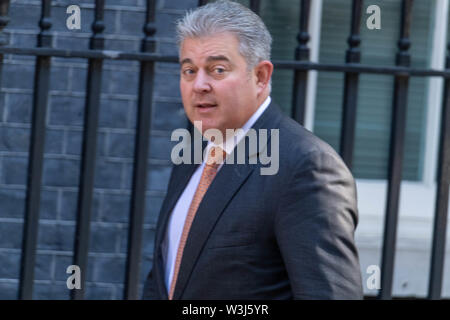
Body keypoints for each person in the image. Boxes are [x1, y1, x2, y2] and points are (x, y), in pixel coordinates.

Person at [143, 0, 363, 300]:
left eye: (217, 69)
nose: (199, 85)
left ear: (260, 77)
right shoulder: (194, 153)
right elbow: (166, 278)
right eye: (189, 70)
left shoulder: (306, 166)